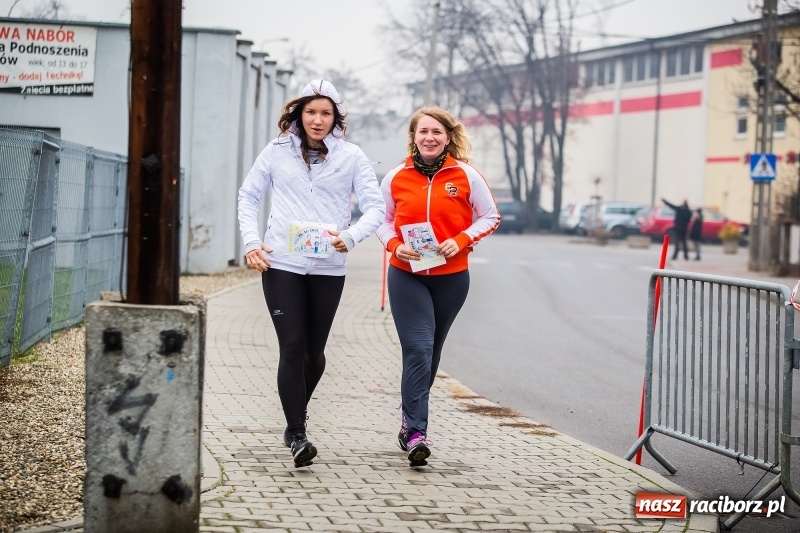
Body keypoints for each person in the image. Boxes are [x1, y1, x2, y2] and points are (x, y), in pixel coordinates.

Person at [237, 80, 385, 468]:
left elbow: (375, 208)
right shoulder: (276, 151)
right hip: (281, 262)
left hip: (328, 266)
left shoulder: (352, 156)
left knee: (315, 354)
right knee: (293, 345)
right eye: (311, 112)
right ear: (299, 115)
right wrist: (252, 243)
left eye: (325, 113)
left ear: (336, 118)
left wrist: (350, 237)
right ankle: (297, 432)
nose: (317, 120)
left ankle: (294, 417)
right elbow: (248, 195)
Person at [376, 106, 500, 466]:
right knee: (418, 347)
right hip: (406, 274)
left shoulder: (465, 175)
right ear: (413, 137)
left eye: (437, 132)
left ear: (448, 137)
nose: (429, 138)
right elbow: (381, 219)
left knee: (431, 353)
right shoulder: (396, 176)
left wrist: (461, 240)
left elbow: (490, 216)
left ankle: (407, 416)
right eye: (423, 132)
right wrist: (394, 245)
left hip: (451, 278)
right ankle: (417, 432)